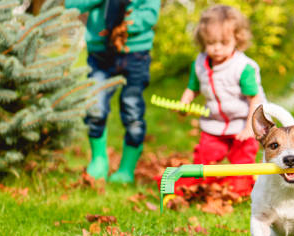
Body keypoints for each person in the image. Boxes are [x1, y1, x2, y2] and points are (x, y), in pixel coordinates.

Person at [64, 0, 161, 183]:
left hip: (135, 53)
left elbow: (150, 14)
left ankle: (126, 168)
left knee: (132, 110)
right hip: (100, 54)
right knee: (95, 106)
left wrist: (124, 23)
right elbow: (71, 5)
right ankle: (99, 160)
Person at [178, 5, 265, 195]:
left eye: (224, 42)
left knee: (241, 169)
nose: (216, 48)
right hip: (214, 124)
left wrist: (250, 127)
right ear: (203, 40)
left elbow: (255, 99)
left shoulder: (243, 67)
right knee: (204, 160)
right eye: (211, 42)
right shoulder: (199, 63)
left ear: (237, 38)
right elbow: (192, 88)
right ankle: (194, 184)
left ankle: (240, 186)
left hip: (243, 124)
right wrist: (184, 102)